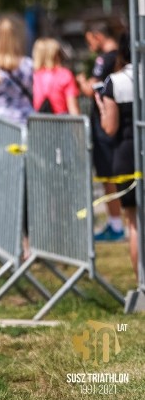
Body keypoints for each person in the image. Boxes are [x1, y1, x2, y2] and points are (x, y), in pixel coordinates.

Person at [75, 19, 124, 241]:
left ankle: (116, 224)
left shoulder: (105, 58)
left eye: (89, 41)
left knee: (108, 175)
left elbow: (90, 89)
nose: (89, 47)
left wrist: (81, 81)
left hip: (105, 122)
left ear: (97, 36)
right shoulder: (121, 57)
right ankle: (117, 222)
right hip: (120, 122)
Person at [94, 34, 137, 276]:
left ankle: (143, 286)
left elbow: (110, 128)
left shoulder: (115, 81)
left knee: (134, 223)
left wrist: (101, 108)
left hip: (127, 156)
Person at [32, 38, 80, 115]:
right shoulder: (65, 75)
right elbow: (73, 110)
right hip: (62, 123)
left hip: (37, 123)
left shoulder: (33, 76)